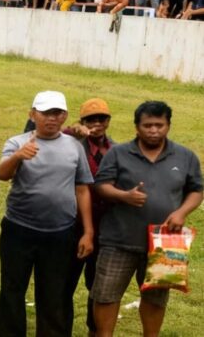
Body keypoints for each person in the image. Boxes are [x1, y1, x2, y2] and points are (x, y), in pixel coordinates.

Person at [91, 101, 202, 337]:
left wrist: (182, 212)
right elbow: (100, 186)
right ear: (137, 127)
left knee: (155, 298)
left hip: (165, 244)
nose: (154, 130)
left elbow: (197, 190)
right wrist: (124, 196)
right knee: (106, 295)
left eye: (159, 125)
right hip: (118, 240)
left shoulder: (184, 156)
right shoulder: (118, 153)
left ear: (168, 126)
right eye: (147, 125)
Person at [0, 91, 94, 337]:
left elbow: (82, 189)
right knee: (12, 290)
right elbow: (2, 174)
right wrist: (18, 156)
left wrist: (88, 232)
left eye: (57, 113)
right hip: (19, 229)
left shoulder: (74, 146)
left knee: (54, 293)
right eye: (45, 113)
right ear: (32, 114)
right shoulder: (17, 142)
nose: (51, 118)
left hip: (60, 232)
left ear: (65, 116)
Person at [61, 98, 117, 337]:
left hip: (105, 227)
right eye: (90, 119)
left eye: (101, 118)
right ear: (82, 121)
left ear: (108, 121)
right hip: (72, 224)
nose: (97, 123)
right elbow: (53, 135)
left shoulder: (115, 149)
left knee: (98, 286)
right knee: (65, 284)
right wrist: (74, 130)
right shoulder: (72, 143)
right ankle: (59, 330)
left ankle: (94, 330)